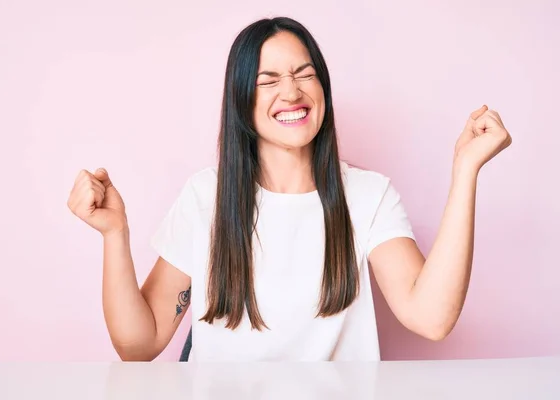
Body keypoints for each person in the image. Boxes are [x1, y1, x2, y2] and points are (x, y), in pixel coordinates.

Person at [67, 16, 512, 362]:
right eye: (268, 80)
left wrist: (465, 169)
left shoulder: (367, 195)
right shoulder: (206, 196)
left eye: (305, 74)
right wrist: (114, 234)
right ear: (241, 98)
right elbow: (138, 345)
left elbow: (431, 318)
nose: (292, 91)